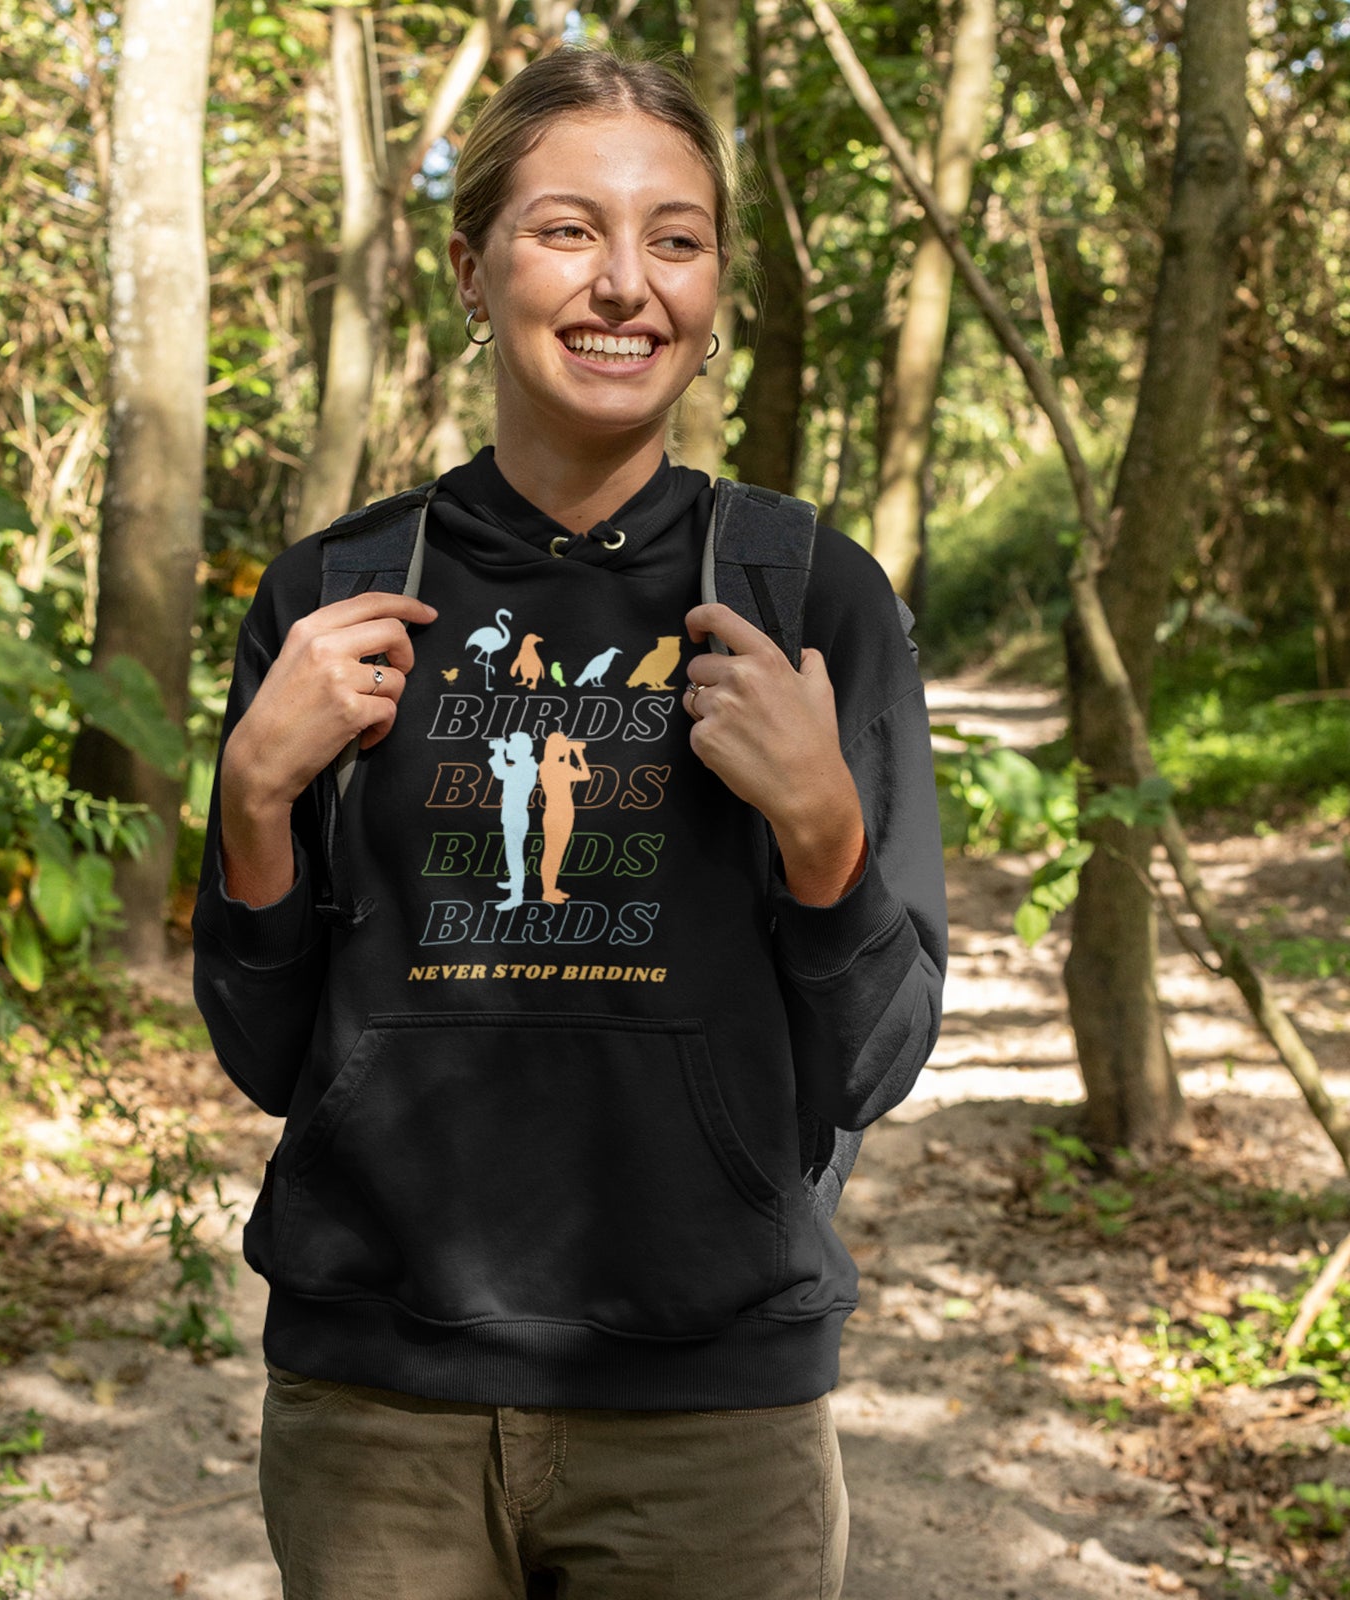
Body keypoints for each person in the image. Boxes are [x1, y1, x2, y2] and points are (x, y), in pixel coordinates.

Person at [193, 45, 947, 1600]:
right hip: (375, 1409)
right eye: (567, 231)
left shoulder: (809, 601)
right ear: (471, 265)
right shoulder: (337, 596)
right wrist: (257, 797)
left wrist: (824, 832)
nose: (625, 285)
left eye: (675, 238)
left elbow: (875, 1062)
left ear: (718, 286)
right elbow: (269, 1056)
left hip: (711, 1416)